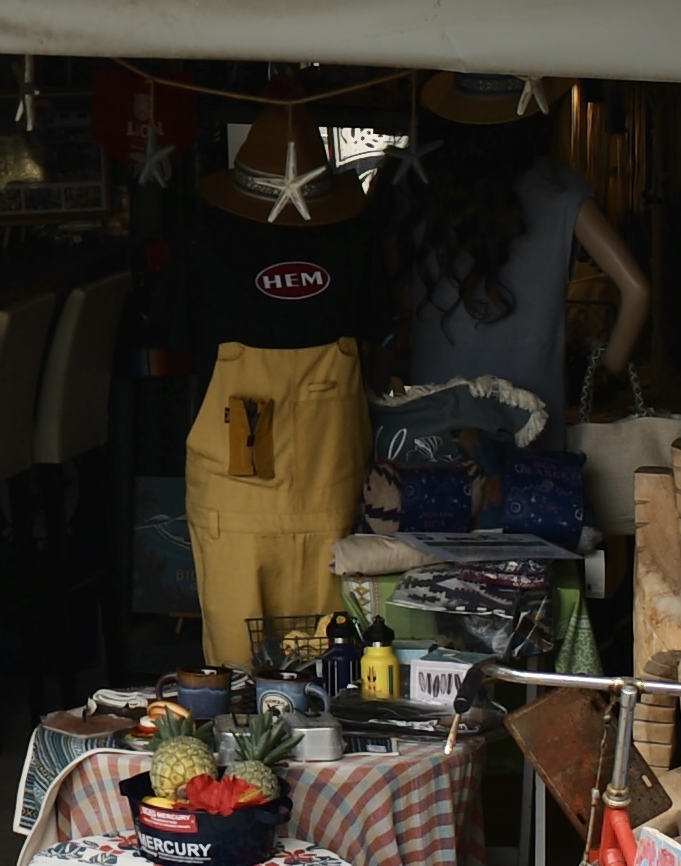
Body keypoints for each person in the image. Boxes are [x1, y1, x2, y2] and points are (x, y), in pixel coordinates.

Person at [183, 107, 378, 667]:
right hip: (325, 502)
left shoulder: (205, 238)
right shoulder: (354, 240)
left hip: (249, 507)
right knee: (334, 675)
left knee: (238, 689)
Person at [390, 73, 653, 417]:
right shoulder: (562, 191)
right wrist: (608, 368)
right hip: (532, 413)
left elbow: (379, 290)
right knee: (531, 472)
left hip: (436, 407)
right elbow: (637, 290)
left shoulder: (414, 186)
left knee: (435, 470)